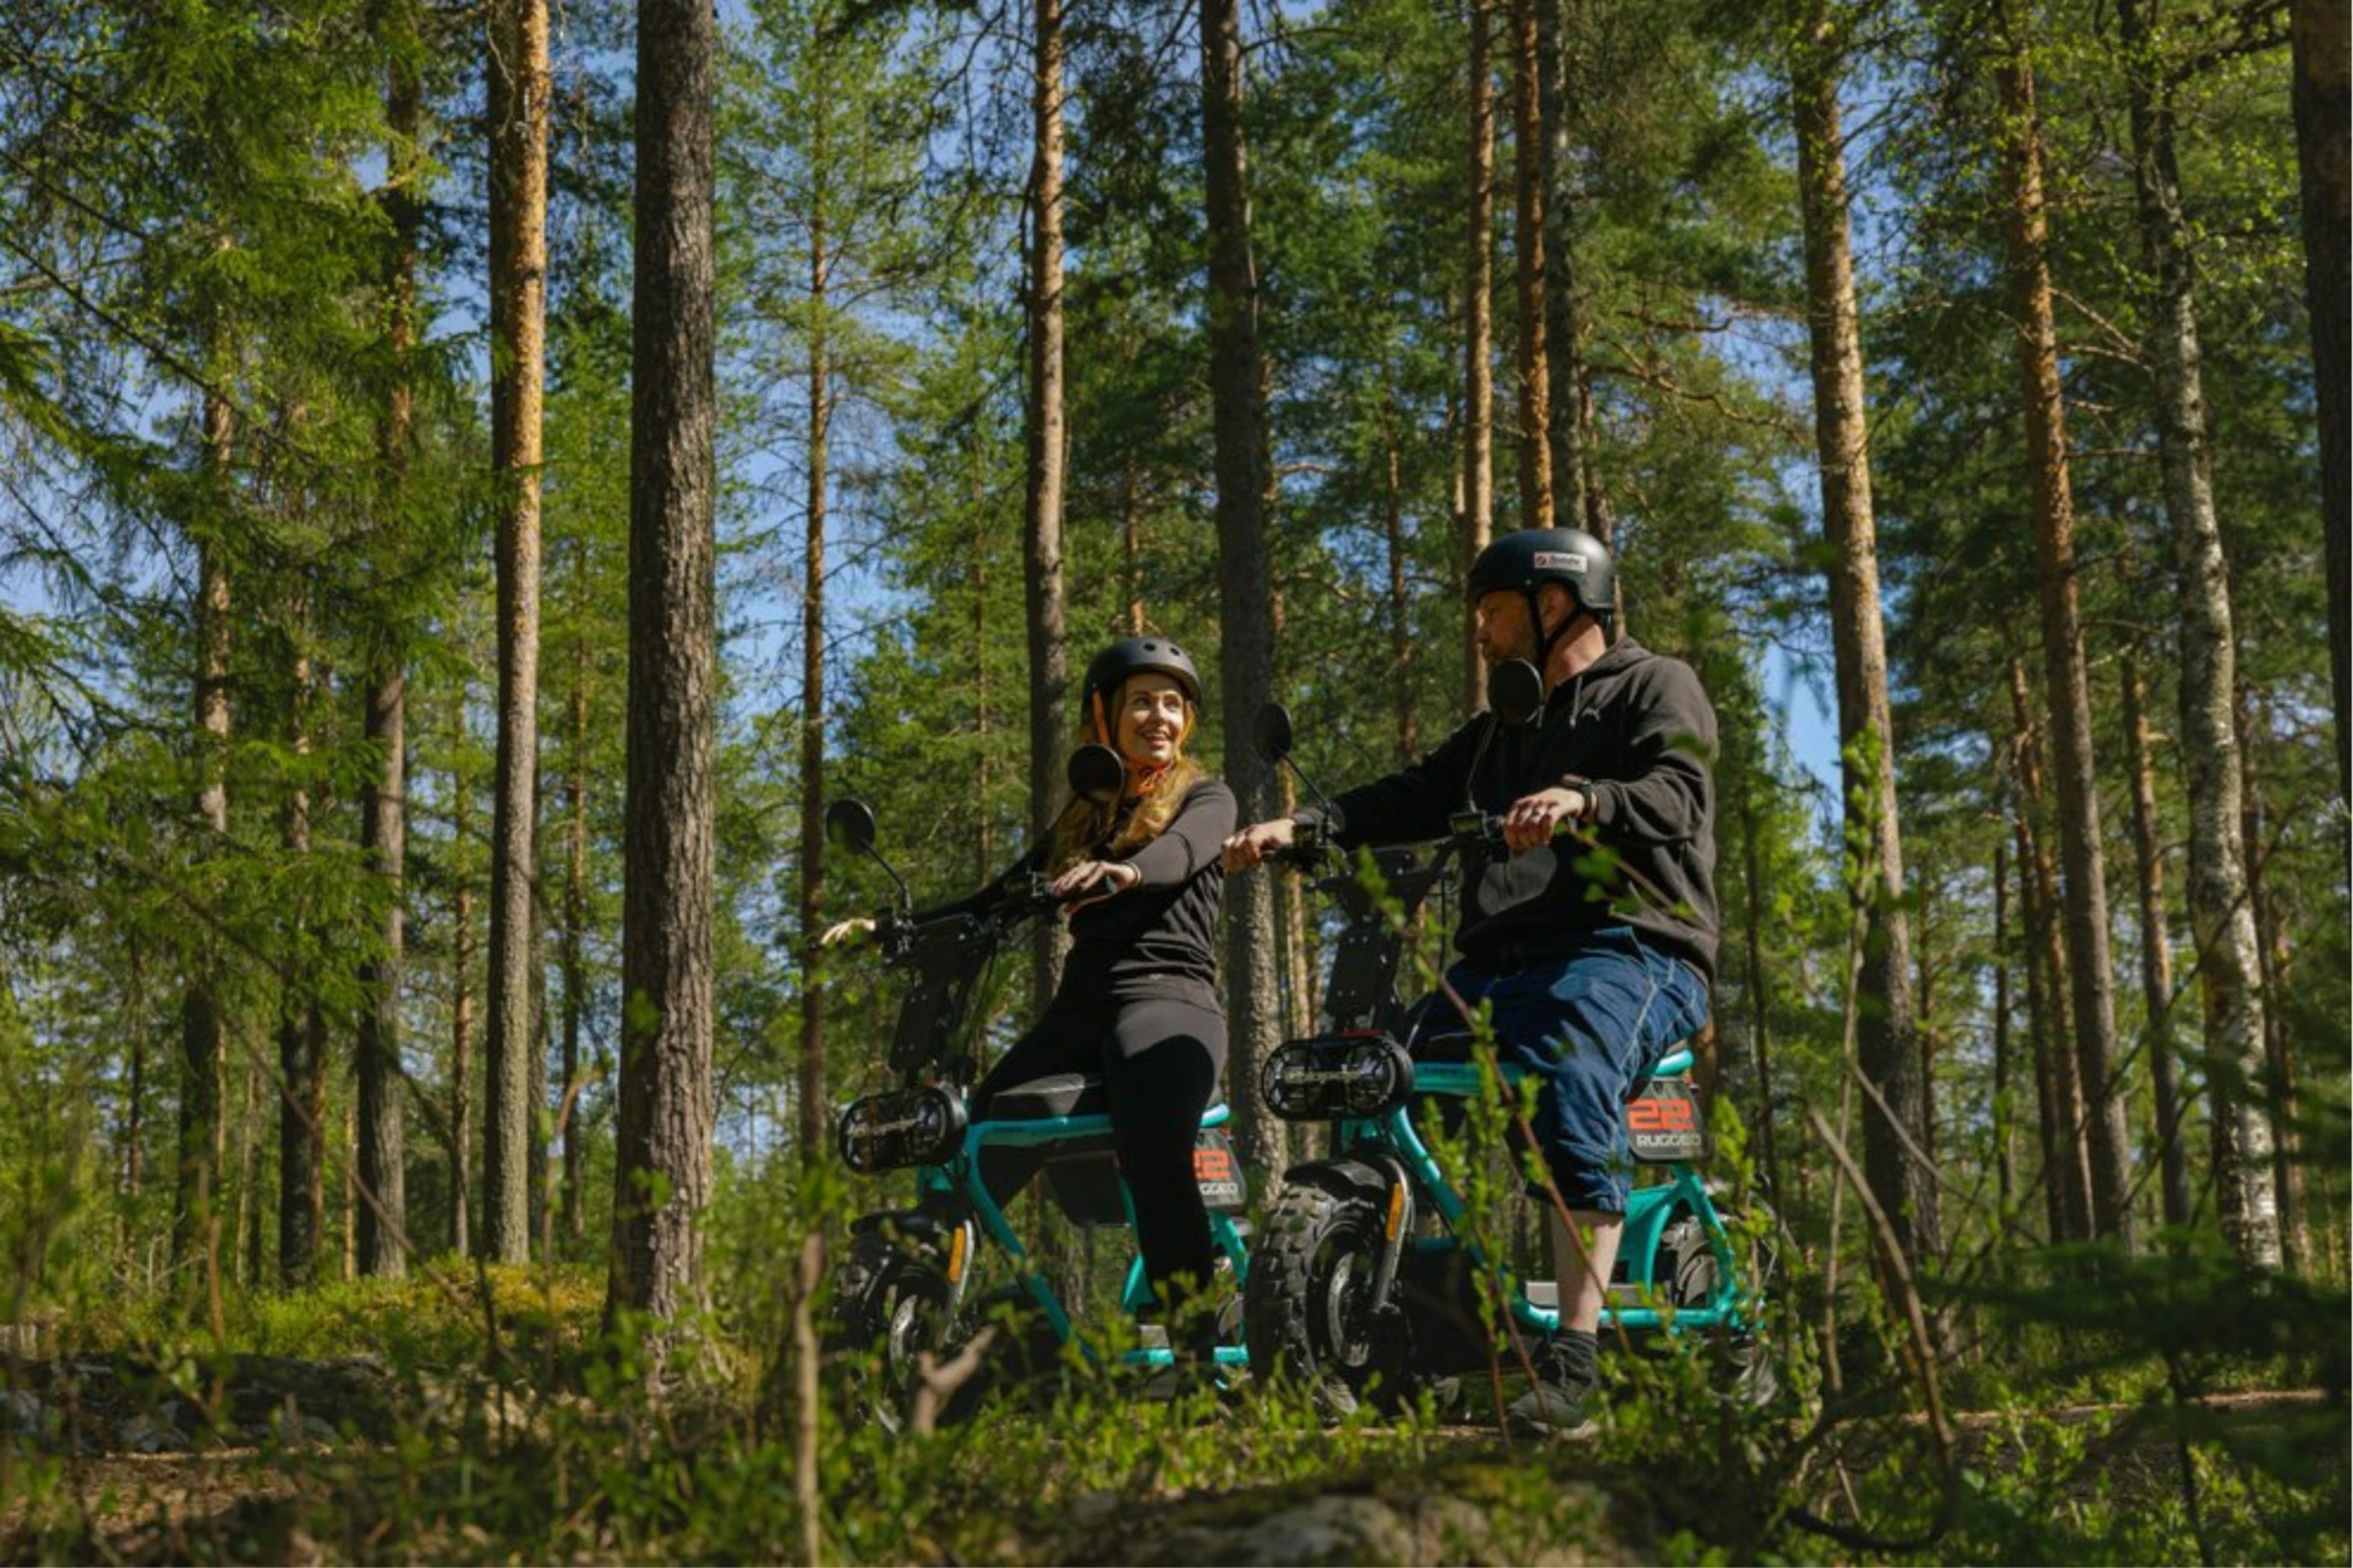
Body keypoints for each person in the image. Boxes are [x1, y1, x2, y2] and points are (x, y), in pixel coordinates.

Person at [1223, 527, 1718, 1437]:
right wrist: (1306, 824)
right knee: (1386, 1077)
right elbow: (1412, 793)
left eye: (1492, 612)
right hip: (1502, 967)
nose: (1482, 632)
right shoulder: (1501, 731)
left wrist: (1588, 798)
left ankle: (1575, 1354)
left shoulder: (1656, 683)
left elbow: (1680, 791)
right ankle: (1425, 1319)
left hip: (1634, 948)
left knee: (1569, 1074)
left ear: (1555, 602)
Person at [827, 636, 1237, 1349]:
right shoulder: (1084, 819)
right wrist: (890, 929)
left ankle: (1198, 1343)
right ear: (1103, 718)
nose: (1160, 717)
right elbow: (995, 901)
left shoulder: (1207, 797)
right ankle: (927, 1300)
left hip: (1170, 1003)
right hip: (1082, 1013)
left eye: (1173, 704)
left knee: (1154, 1145)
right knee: (978, 1134)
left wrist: (1127, 874)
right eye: (1142, 701)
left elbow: (1184, 854)